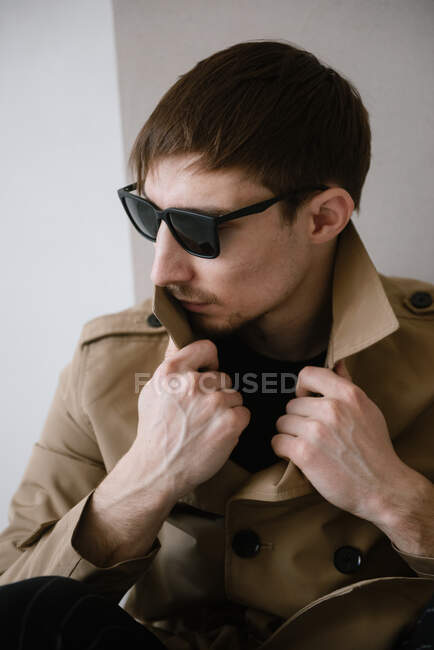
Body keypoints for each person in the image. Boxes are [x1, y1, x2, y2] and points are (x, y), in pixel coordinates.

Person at [0, 40, 433, 650]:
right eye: (150, 217)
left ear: (322, 219)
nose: (161, 270)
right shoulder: (108, 363)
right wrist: (143, 481)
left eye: (200, 230)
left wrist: (398, 499)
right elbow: (12, 606)